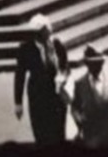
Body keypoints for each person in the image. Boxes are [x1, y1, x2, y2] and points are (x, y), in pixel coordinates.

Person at [12, 13, 70, 145]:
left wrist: (62, 77)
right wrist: (18, 103)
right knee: (41, 133)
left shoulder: (57, 45)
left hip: (56, 96)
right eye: (44, 31)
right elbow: (20, 74)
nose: (48, 33)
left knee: (58, 134)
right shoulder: (26, 49)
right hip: (38, 95)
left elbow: (65, 66)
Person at [70, 46, 108, 147]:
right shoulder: (80, 84)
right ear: (87, 64)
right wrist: (80, 121)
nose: (97, 66)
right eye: (92, 63)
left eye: (99, 62)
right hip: (92, 139)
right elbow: (75, 108)